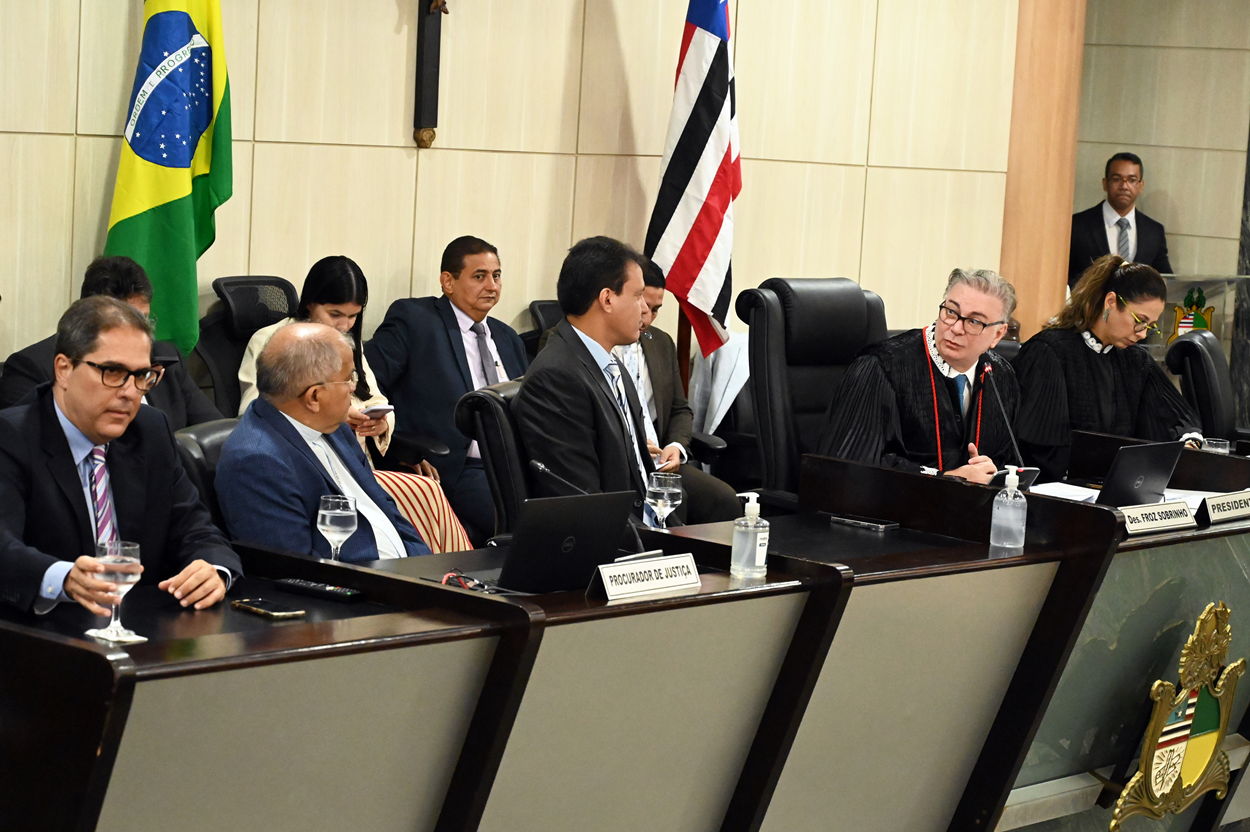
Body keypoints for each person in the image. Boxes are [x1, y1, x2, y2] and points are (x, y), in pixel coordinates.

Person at [0, 296, 241, 615]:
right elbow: (4, 547)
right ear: (64, 369)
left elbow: (195, 527)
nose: (130, 392)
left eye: (142, 376)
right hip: (44, 632)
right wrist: (65, 578)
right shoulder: (13, 436)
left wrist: (214, 569)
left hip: (141, 627)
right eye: (113, 371)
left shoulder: (150, 430)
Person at [236, 256, 469, 553]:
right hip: (313, 466)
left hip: (354, 462)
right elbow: (258, 410)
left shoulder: (348, 344)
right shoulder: (276, 342)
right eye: (334, 314)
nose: (344, 325)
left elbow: (375, 397)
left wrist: (380, 423)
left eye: (353, 316)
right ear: (310, 303)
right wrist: (330, 415)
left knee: (425, 500)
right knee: (421, 496)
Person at [216, 323, 432, 562]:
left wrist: (423, 564)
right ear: (315, 397)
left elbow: (385, 509)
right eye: (348, 379)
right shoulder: (257, 462)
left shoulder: (334, 426)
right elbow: (294, 570)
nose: (353, 388)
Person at [365, 236, 529, 546]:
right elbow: (368, 386)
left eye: (496, 276)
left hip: (514, 466)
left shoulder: (508, 338)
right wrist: (402, 449)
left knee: (573, 508)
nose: (492, 286)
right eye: (479, 276)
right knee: (533, 528)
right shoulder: (415, 321)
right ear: (448, 282)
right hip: (457, 469)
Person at [817, 269, 1021, 484]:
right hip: (894, 511)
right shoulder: (882, 366)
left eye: (974, 322)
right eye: (951, 312)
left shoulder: (1001, 378)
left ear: (998, 334)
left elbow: (1009, 462)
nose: (956, 328)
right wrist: (947, 479)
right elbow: (851, 466)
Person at [1015, 256, 1201, 482]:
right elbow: (1040, 450)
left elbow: (1174, 418)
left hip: (1117, 488)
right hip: (1062, 494)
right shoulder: (1049, 352)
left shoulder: (1136, 360)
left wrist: (1188, 442)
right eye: (1139, 320)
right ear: (1111, 302)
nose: (1142, 333)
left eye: (1150, 327)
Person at [514, 236, 656, 521]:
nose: (644, 308)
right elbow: (583, 502)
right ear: (607, 299)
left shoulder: (612, 366)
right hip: (613, 546)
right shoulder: (556, 379)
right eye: (637, 295)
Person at [0, 256, 222, 430]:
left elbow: (215, 435)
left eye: (142, 320)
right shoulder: (30, 367)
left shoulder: (165, 361)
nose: (135, 333)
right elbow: (22, 453)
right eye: (122, 321)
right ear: (86, 314)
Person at [612, 261, 740, 523]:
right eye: (643, 305)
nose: (647, 317)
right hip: (619, 462)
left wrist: (676, 445)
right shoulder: (602, 343)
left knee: (724, 500)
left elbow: (680, 409)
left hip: (659, 462)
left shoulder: (660, 342)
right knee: (671, 501)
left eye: (656, 310)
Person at [1068, 152, 1173, 289]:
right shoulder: (1077, 225)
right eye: (1117, 179)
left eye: (1132, 180)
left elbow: (1165, 280)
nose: (1124, 186)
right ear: (1105, 183)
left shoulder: (1154, 231)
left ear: (1141, 185)